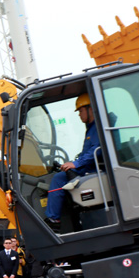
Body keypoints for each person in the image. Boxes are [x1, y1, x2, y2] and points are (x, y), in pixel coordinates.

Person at [45, 93, 101, 231]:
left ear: (90, 109)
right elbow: (89, 152)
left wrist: (76, 164)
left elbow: (97, 150)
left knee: (58, 179)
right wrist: (74, 162)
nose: (79, 114)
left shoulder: (97, 128)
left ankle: (53, 220)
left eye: (81, 110)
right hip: (89, 167)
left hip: (93, 169)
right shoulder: (91, 128)